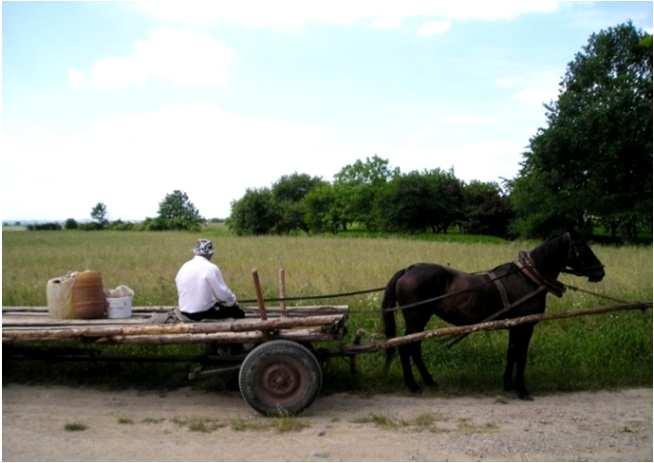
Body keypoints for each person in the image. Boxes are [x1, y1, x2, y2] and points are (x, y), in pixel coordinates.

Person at [175, 239, 245, 321]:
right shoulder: (211, 268)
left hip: (184, 312)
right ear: (210, 253)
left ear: (195, 252)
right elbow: (222, 294)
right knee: (238, 313)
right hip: (201, 313)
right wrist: (233, 302)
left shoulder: (184, 266)